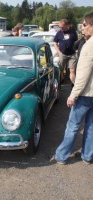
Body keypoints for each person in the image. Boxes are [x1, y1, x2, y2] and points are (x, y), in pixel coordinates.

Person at [52, 12, 93, 165]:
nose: (83, 28)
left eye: (84, 25)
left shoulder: (89, 46)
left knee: (73, 126)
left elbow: (83, 75)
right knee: (91, 126)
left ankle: (61, 155)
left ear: (91, 26)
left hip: (86, 94)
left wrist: (73, 94)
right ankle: (87, 156)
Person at [54, 19, 78, 84]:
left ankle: (74, 85)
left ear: (66, 25)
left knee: (72, 70)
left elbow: (76, 41)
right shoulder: (59, 33)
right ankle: (59, 83)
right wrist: (59, 52)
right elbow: (55, 43)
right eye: (60, 27)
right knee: (60, 70)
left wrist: (77, 49)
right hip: (62, 54)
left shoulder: (73, 32)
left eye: (62, 27)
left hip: (72, 54)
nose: (61, 28)